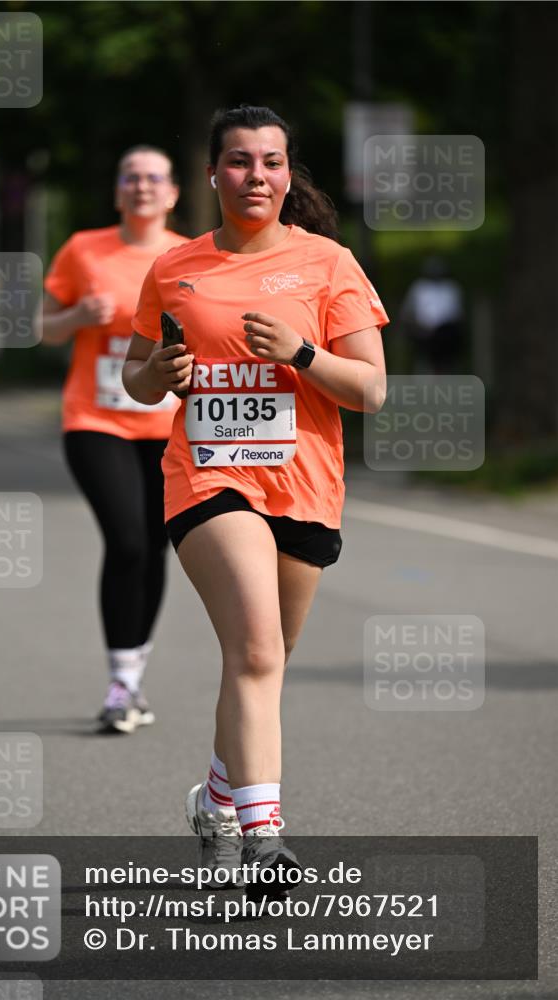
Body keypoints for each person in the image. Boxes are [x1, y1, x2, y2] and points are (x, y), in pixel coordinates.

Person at [123, 106, 389, 895]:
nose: (255, 177)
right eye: (238, 162)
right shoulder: (175, 267)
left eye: (270, 162)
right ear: (211, 174)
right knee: (257, 651)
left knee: (261, 661)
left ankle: (215, 795)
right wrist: (157, 378)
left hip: (303, 482)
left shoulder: (328, 264)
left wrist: (301, 353)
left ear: (287, 173)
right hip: (207, 476)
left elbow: (370, 390)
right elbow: (137, 377)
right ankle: (263, 839)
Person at [37, 146, 188, 734]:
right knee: (126, 540)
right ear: (118, 190)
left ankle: (131, 675)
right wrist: (77, 317)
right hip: (96, 419)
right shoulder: (84, 248)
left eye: (154, 178)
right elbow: (41, 329)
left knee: (154, 547)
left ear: (173, 192)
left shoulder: (189, 256)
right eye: (131, 177)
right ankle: (120, 683)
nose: (142, 186)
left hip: (168, 422)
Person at [400, 255, 465, 374]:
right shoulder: (419, 288)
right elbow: (408, 314)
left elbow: (458, 315)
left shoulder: (451, 288)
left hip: (447, 334)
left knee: (447, 360)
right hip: (425, 335)